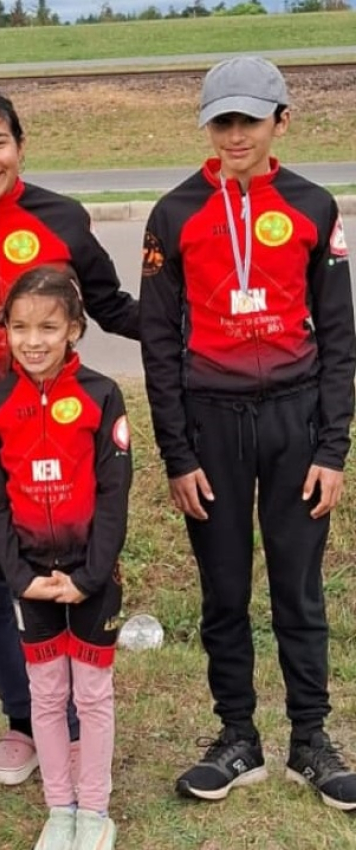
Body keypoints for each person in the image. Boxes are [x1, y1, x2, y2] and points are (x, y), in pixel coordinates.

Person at [139, 56, 356, 810]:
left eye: (250, 121)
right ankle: (237, 738)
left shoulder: (313, 206)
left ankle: (311, 740)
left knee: (299, 588)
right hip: (212, 425)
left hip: (296, 420)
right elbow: (158, 346)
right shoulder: (174, 214)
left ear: (281, 122)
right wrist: (177, 454)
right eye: (222, 121)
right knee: (224, 590)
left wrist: (332, 448)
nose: (235, 135)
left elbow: (339, 337)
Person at [0, 86, 138, 786]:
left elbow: (111, 306)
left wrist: (189, 331)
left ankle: (75, 721)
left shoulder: (63, 218)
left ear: (19, 144)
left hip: (63, 429)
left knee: (72, 568)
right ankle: (24, 721)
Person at [0, 267, 129, 850]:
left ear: (74, 329)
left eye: (48, 327)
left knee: (91, 695)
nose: (33, 341)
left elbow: (115, 493)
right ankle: (59, 809)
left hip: (92, 577)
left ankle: (94, 810)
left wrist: (90, 576)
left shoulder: (101, 395)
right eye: (20, 327)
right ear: (5, 330)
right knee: (45, 695)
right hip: (32, 582)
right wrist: (19, 578)